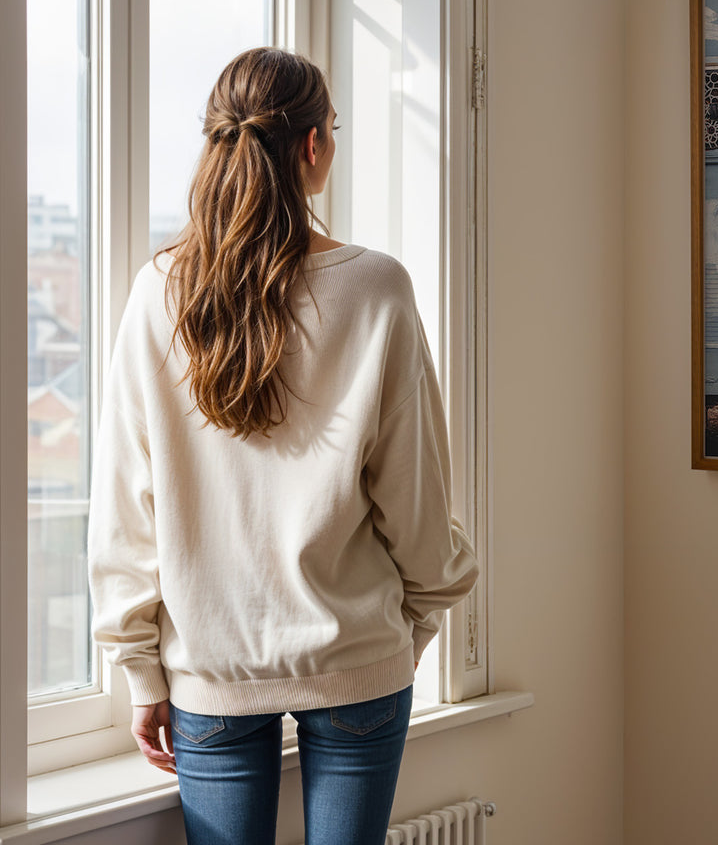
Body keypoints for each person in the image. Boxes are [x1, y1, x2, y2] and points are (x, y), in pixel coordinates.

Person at [88, 47, 479, 845]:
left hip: (209, 669)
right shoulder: (375, 288)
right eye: (331, 129)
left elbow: (126, 497)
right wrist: (422, 617)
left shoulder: (158, 290)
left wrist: (140, 670)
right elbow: (415, 489)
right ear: (311, 146)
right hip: (359, 656)